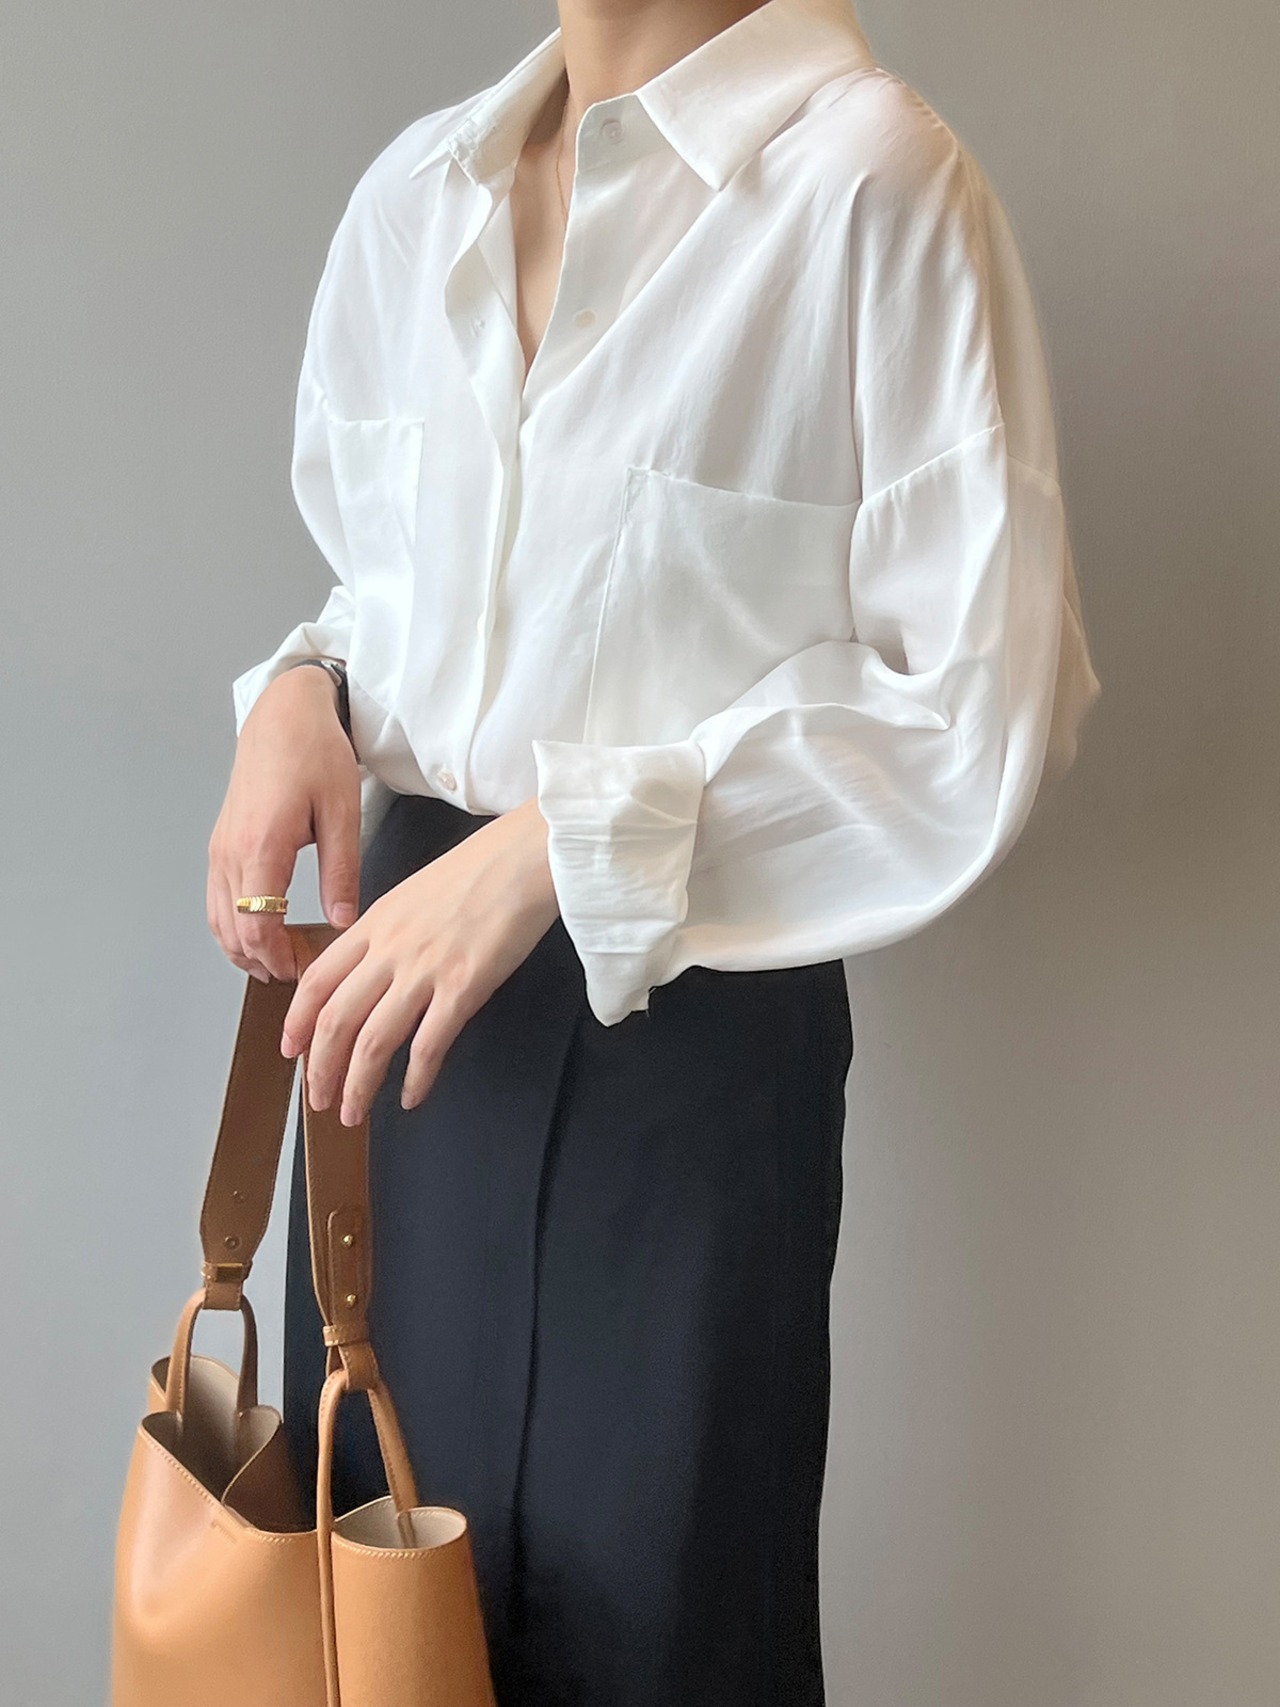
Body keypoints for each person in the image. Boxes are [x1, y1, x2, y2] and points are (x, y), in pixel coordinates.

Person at [208, 0, 1102, 1700]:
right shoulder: (422, 196)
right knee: (385, 1620)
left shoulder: (869, 185)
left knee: (657, 1626)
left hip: (684, 1029)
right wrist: (305, 691)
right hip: (401, 1012)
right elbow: (415, 604)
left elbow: (979, 712)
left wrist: (561, 842)